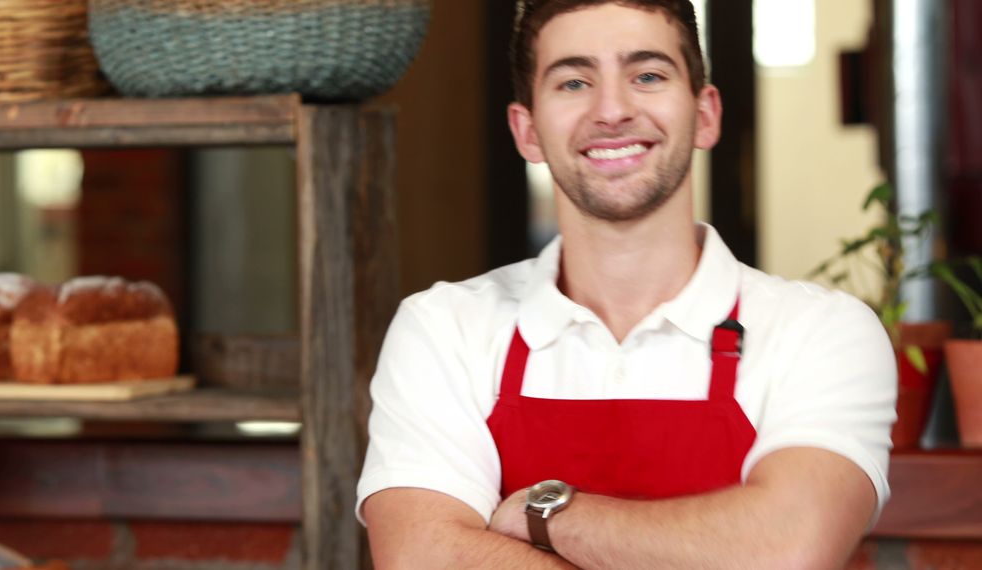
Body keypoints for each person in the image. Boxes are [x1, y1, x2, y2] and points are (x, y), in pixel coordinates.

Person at [357, 0, 897, 568]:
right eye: (573, 82)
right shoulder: (445, 328)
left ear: (705, 114)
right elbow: (422, 556)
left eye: (647, 75)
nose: (612, 109)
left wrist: (545, 514)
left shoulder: (820, 332)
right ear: (528, 131)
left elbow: (785, 551)